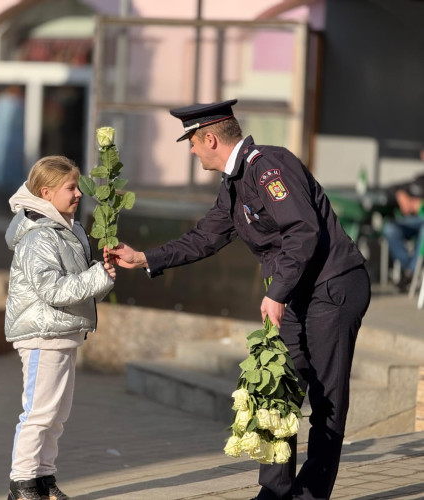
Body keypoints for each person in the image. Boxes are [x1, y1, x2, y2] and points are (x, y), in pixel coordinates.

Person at [106, 99, 371, 500]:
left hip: (332, 289)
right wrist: (145, 257)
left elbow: (303, 231)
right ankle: (274, 491)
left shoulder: (268, 168)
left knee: (327, 402)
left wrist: (276, 293)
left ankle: (310, 495)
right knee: (275, 392)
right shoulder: (233, 183)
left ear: (210, 138)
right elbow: (205, 237)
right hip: (297, 293)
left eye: (192, 142)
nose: (192, 151)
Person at [4, 155, 116, 500]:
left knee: (56, 413)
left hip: (62, 333)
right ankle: (22, 482)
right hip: (43, 335)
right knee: (38, 412)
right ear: (46, 192)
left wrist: (104, 272)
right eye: (71, 187)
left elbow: (77, 283)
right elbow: (53, 290)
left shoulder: (67, 230)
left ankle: (44, 478)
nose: (79, 193)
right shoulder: (39, 238)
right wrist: (98, 276)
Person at [382, 154, 424, 292]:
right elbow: (390, 189)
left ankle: (410, 274)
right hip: (412, 222)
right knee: (390, 229)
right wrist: (400, 195)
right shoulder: (418, 181)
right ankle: (410, 270)